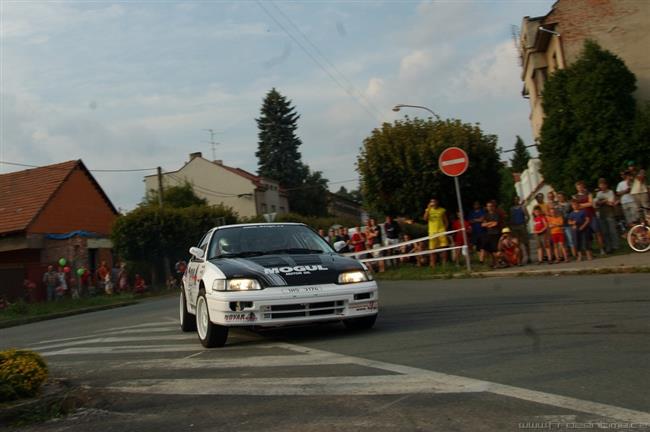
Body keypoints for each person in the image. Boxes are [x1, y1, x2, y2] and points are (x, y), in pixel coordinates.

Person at [574, 180, 605, 256]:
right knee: (587, 235)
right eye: (578, 187)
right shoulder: (575, 196)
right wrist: (586, 204)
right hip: (583, 218)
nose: (580, 188)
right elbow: (576, 206)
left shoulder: (588, 193)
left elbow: (591, 203)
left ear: (583, 186)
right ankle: (590, 250)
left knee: (597, 232)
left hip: (591, 215)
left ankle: (602, 249)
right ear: (576, 188)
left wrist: (580, 205)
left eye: (581, 186)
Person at [595, 178, 619, 253]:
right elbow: (597, 203)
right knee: (605, 232)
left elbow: (611, 202)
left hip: (610, 213)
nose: (601, 186)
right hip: (602, 214)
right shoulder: (599, 193)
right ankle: (608, 247)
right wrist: (605, 201)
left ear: (606, 185)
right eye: (600, 185)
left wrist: (602, 201)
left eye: (603, 184)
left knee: (612, 231)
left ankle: (615, 246)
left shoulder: (610, 192)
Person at [423, 198, 448, 268]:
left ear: (437, 202)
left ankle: (444, 264)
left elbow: (446, 221)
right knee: (432, 249)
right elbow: (425, 219)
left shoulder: (442, 210)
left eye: (434, 201)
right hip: (432, 232)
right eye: (431, 201)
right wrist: (428, 209)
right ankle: (433, 265)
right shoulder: (428, 210)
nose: (432, 202)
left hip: (441, 231)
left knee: (444, 248)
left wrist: (444, 229)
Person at [509, 196, 530, 264]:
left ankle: (528, 257)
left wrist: (525, 223)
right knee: (517, 243)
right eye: (515, 199)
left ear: (519, 200)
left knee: (526, 242)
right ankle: (520, 258)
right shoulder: (511, 208)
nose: (516, 200)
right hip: (515, 227)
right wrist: (511, 227)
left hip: (522, 226)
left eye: (517, 199)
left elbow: (527, 216)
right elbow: (511, 218)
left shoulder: (522, 207)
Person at [481, 201, 501, 268]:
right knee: (490, 250)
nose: (490, 208)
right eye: (488, 206)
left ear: (493, 207)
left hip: (496, 233)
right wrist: (490, 223)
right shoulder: (486, 215)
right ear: (486, 207)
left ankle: (497, 263)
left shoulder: (496, 214)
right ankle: (492, 263)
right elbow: (483, 224)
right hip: (489, 233)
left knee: (495, 249)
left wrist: (488, 224)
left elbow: (496, 223)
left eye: (491, 206)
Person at [557, 192, 576, 258]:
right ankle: (565, 255)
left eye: (561, 196)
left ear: (564, 197)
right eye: (558, 197)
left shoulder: (569, 204)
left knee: (571, 240)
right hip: (560, 225)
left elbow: (573, 212)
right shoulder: (556, 206)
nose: (560, 198)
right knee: (563, 241)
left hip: (568, 224)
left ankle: (574, 255)